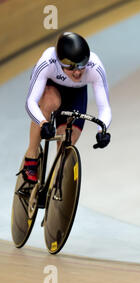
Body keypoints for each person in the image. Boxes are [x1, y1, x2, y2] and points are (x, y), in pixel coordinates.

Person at [22, 32, 112, 184]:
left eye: (81, 67)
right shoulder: (48, 62)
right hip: (52, 88)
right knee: (51, 101)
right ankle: (31, 158)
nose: (77, 72)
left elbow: (105, 108)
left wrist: (102, 130)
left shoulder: (95, 67)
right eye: (70, 67)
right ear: (59, 62)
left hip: (76, 94)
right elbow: (31, 102)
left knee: (67, 141)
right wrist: (43, 123)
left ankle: (55, 181)